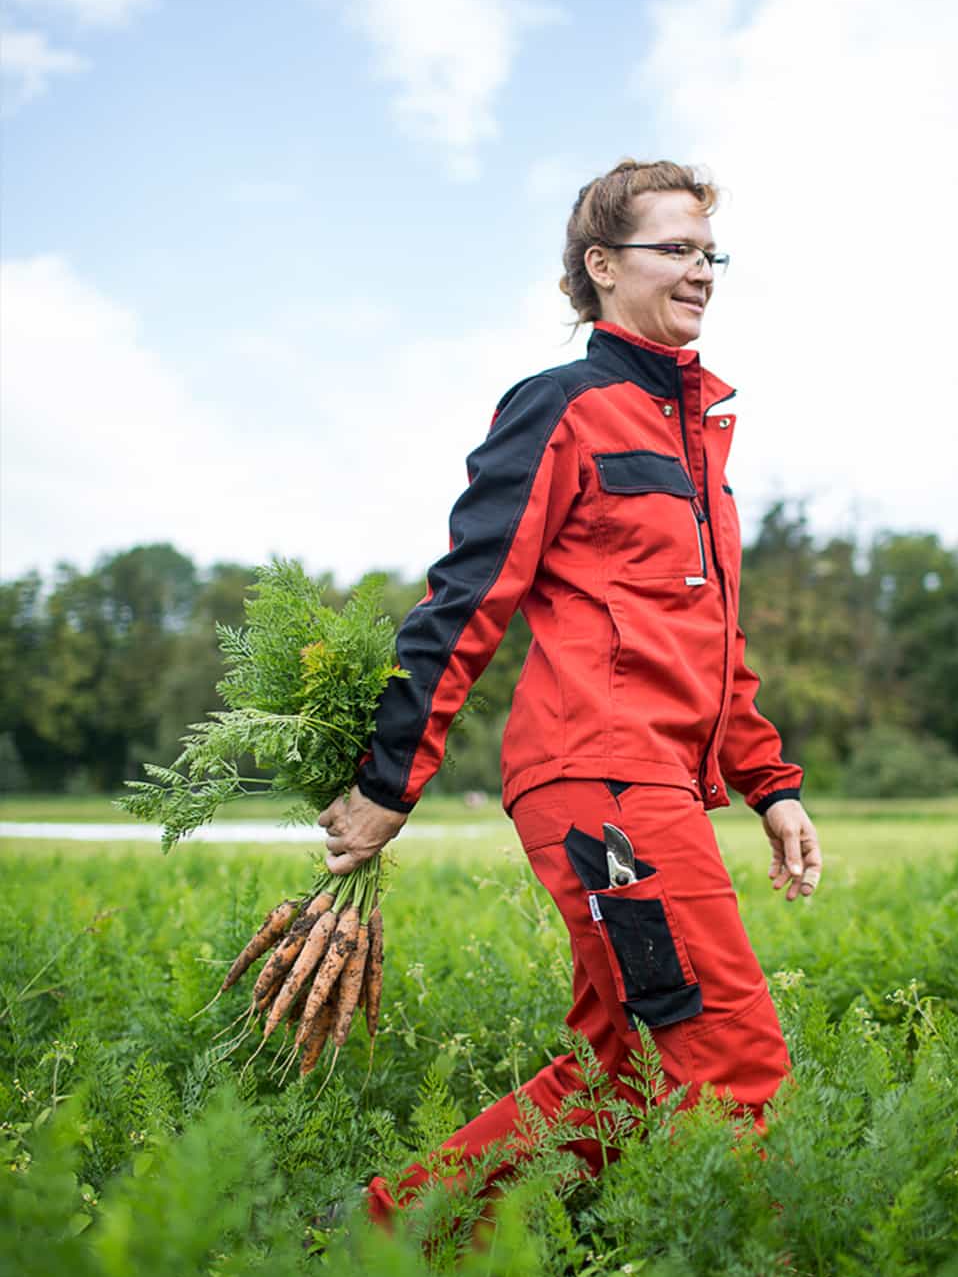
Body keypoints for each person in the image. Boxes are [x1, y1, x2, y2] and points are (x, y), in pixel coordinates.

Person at [318, 158, 823, 1223]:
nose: (702, 271)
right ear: (601, 264)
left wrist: (770, 785)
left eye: (710, 252)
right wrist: (388, 782)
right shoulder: (561, 407)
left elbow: (714, 644)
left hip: (657, 785)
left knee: (621, 1075)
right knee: (727, 1055)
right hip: (600, 786)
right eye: (676, 248)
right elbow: (468, 597)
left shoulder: (698, 440)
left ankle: (379, 1244)